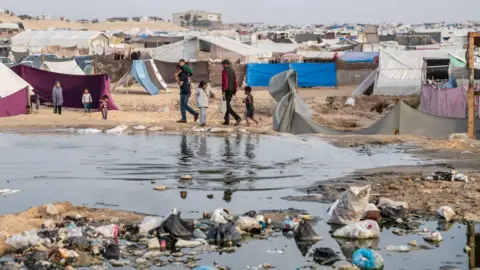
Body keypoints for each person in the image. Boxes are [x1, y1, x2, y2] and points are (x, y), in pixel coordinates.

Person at [221, 59, 241, 126]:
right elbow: (235, 81)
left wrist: (223, 89)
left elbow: (225, 81)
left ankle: (237, 118)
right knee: (227, 105)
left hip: (227, 90)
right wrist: (234, 90)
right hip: (232, 89)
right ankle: (226, 121)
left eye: (223, 64)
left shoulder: (225, 71)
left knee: (227, 106)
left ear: (225, 64)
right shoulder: (232, 71)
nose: (222, 65)